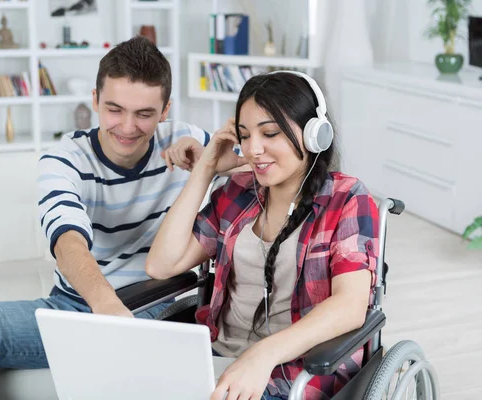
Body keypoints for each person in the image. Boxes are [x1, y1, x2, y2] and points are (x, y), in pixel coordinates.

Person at [0, 36, 212, 400]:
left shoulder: (186, 139)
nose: (128, 127)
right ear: (95, 100)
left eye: (144, 114)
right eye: (114, 109)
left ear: (165, 110)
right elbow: (68, 241)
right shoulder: (64, 158)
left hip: (159, 308)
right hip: (79, 306)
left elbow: (259, 163)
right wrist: (105, 308)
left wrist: (210, 161)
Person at [146, 71, 380, 400]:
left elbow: (350, 306)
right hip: (217, 362)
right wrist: (208, 165)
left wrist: (262, 355)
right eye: (244, 135)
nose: (254, 149)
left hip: (295, 373)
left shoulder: (346, 198)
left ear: (315, 134)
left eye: (269, 133)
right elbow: (161, 265)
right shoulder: (237, 193)